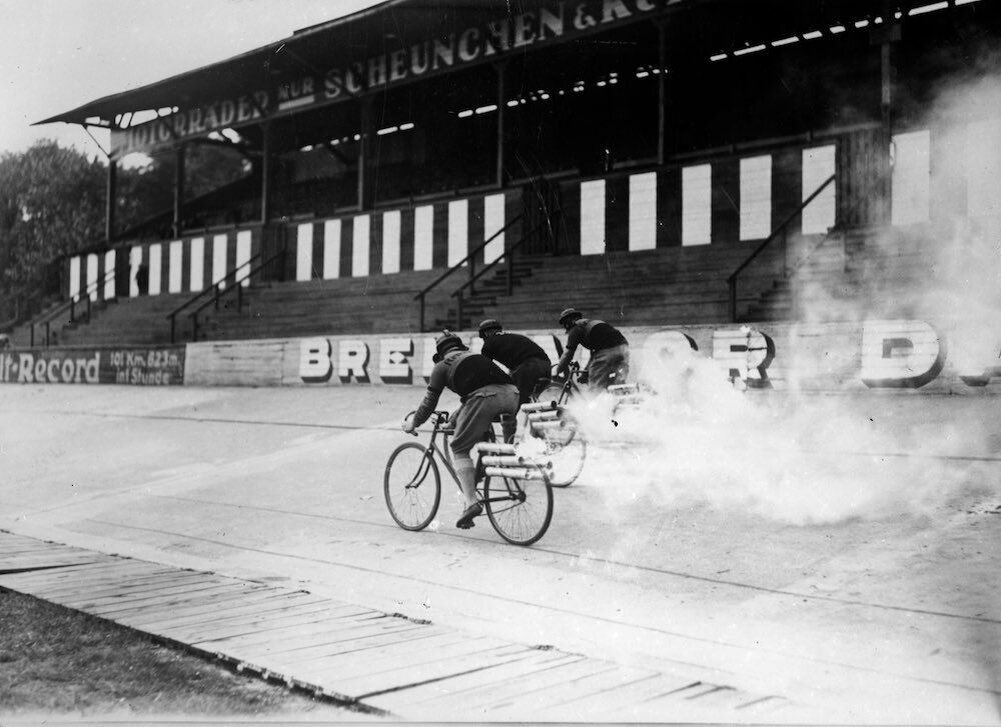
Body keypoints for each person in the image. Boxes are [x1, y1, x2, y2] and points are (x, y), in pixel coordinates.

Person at [403, 331, 520, 529]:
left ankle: (471, 503)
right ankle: (479, 474)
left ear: (440, 353)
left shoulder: (441, 367)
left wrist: (413, 423)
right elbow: (470, 401)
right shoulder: (476, 356)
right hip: (512, 395)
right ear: (460, 347)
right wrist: (454, 420)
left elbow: (429, 403)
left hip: (485, 398)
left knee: (458, 447)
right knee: (480, 433)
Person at [477, 319, 552, 405]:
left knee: (515, 398)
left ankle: (510, 417)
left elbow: (485, 368)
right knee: (525, 395)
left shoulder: (489, 343)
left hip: (529, 367)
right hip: (545, 366)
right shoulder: (513, 336)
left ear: (486, 333)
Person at [555, 308, 630, 389]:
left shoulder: (576, 328)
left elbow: (568, 355)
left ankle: (593, 400)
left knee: (595, 384)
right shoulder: (591, 325)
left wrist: (557, 371)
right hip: (623, 349)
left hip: (607, 351)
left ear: (569, 321)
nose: (565, 327)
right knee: (616, 383)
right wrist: (585, 372)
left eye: (565, 324)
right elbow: (594, 354)